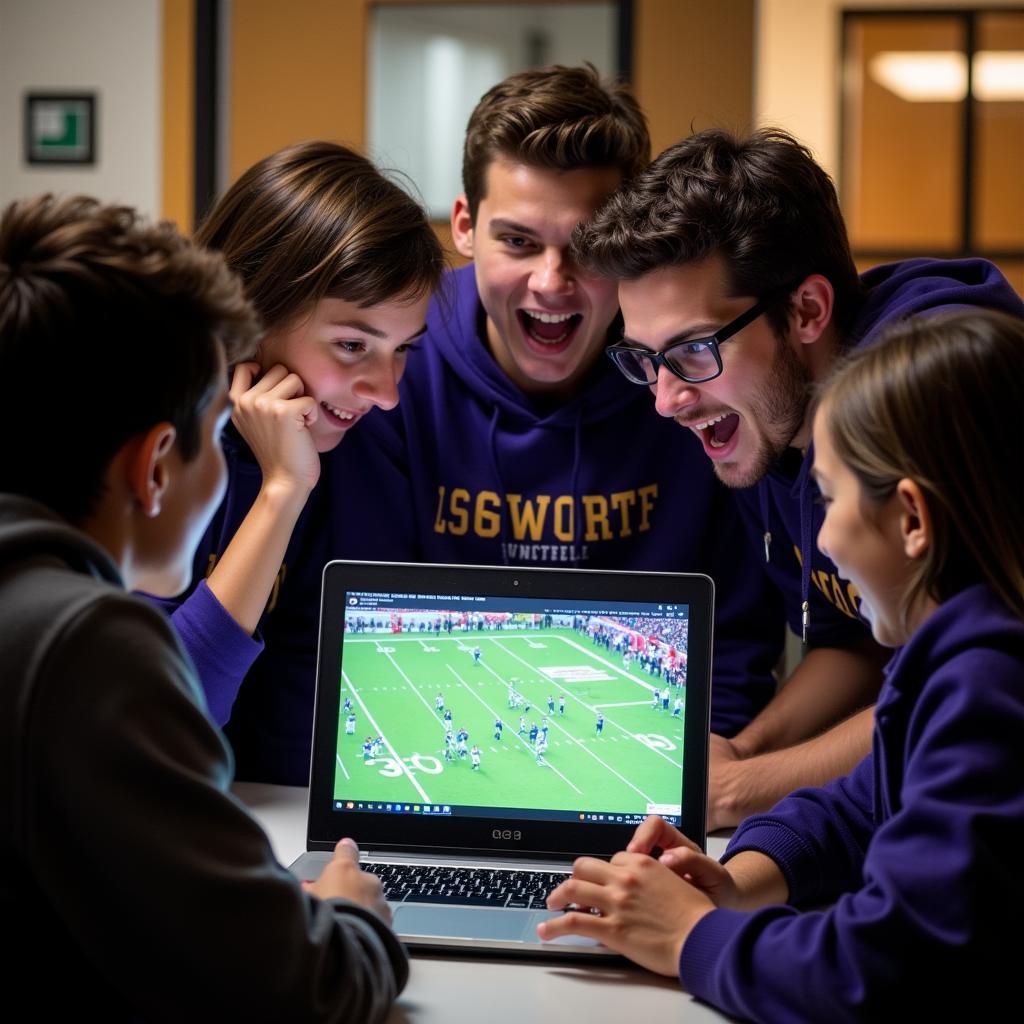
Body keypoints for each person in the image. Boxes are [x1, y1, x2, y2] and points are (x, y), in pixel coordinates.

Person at [539, 309, 1024, 1019]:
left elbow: (877, 970)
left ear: (913, 521)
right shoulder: (950, 662)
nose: (820, 540)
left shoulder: (988, 689)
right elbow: (861, 806)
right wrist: (733, 881)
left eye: (828, 499)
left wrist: (691, 936)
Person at [0, 194, 406, 1020]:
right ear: (154, 465)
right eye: (216, 425)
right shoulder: (85, 640)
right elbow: (304, 987)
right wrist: (355, 917)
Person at [575, 127, 1024, 828]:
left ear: (808, 311)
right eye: (644, 360)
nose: (665, 400)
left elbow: (973, 685)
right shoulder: (768, 411)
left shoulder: (926, 391)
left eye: (692, 350)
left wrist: (738, 794)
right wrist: (737, 755)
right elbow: (859, 640)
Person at [335, 64, 784, 744]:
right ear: (464, 225)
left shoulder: (690, 378)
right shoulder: (391, 368)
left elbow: (736, 651)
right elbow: (358, 642)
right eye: (518, 241)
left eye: (584, 247)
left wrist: (699, 800)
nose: (551, 281)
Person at [153, 141, 444, 784]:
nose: (385, 392)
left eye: (402, 351)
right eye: (351, 345)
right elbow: (162, 724)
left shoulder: (361, 445)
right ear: (250, 312)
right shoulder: (149, 449)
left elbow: (338, 700)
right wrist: (282, 491)